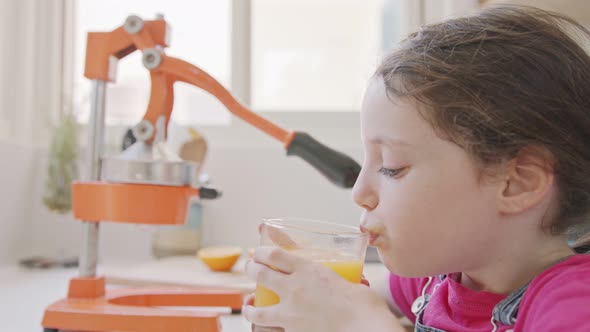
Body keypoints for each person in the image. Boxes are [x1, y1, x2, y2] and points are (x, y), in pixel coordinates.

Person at [244, 5, 590, 331]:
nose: (360, 192)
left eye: (392, 167)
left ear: (516, 184)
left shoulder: (574, 306)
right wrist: (305, 305)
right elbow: (357, 304)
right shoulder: (432, 277)